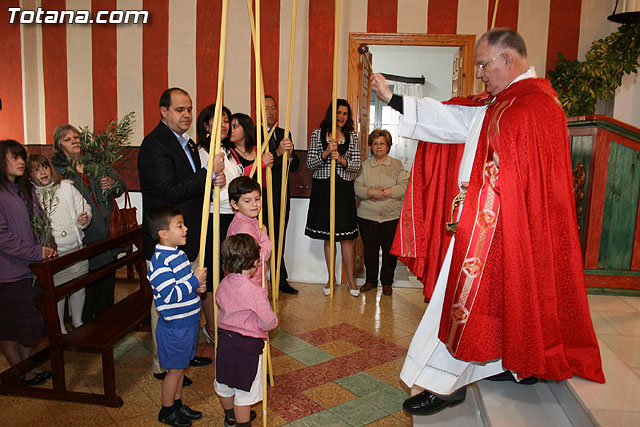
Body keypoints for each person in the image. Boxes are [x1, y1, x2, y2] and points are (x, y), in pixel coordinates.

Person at [370, 28, 604, 416]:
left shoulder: (535, 108)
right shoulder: (501, 104)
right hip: (485, 223)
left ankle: (445, 384)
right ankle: (507, 362)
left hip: (496, 228)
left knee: (464, 301)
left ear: (507, 60)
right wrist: (393, 98)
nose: (479, 73)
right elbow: (453, 121)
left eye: (483, 64)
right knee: (493, 302)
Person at [138, 87, 226, 384]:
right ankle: (163, 363)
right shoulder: (155, 144)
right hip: (165, 238)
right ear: (163, 111)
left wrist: (213, 179)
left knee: (189, 295)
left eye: (189, 109)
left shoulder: (185, 142)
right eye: (179, 109)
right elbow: (170, 191)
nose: (186, 114)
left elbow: (191, 187)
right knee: (164, 302)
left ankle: (183, 355)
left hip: (187, 233)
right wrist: (207, 175)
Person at [51, 124, 126, 323]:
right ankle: (87, 328)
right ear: (59, 146)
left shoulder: (94, 161)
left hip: (106, 231)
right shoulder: (56, 169)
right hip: (83, 236)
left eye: (77, 137)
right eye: (68, 139)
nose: (75, 141)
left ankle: (105, 324)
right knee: (84, 288)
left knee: (106, 285)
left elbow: (121, 184)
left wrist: (112, 183)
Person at [0, 140, 56, 386]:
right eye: (14, 157)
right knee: (10, 327)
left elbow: (41, 221)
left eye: (22, 156)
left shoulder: (24, 190)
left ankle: (28, 368)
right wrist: (35, 251)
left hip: (30, 267)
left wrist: (49, 244)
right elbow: (3, 237)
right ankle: (21, 372)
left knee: (28, 324)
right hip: (8, 272)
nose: (21, 161)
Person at [146, 205, 206, 427]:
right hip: (174, 327)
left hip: (188, 323)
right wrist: (194, 281)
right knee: (174, 371)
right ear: (163, 233)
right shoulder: (160, 263)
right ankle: (167, 409)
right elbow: (171, 295)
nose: (185, 229)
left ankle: (178, 404)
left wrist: (197, 287)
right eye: (179, 226)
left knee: (181, 367)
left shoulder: (179, 255)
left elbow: (185, 285)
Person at [215, 233, 278, 427]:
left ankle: (229, 417)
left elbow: (219, 301)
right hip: (248, 346)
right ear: (254, 264)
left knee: (224, 385)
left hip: (225, 341)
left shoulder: (223, 284)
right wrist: (266, 325)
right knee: (244, 393)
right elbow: (269, 321)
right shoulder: (254, 291)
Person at [28, 153, 91, 334]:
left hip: (74, 246)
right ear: (30, 175)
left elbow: (83, 205)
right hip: (56, 251)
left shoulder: (65, 187)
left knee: (78, 285)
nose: (42, 172)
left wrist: (83, 217)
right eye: (36, 170)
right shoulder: (32, 196)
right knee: (58, 291)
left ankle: (78, 321)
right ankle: (60, 327)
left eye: (45, 167)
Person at [305, 99, 361, 297]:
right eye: (339, 112)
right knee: (329, 236)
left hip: (344, 189)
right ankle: (331, 278)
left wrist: (342, 160)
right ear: (332, 113)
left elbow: (357, 166)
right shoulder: (317, 134)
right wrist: (327, 152)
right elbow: (310, 164)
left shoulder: (352, 137)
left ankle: (352, 281)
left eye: (345, 113)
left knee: (346, 238)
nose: (342, 117)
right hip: (323, 188)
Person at [195, 103, 240, 345]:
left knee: (226, 274)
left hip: (229, 217)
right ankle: (212, 328)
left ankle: (223, 323)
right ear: (206, 125)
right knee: (212, 277)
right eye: (218, 120)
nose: (224, 125)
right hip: (213, 218)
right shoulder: (202, 152)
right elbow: (203, 188)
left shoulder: (229, 151)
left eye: (226, 120)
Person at [354, 129, 408, 296]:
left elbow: (404, 187)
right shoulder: (364, 166)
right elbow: (357, 188)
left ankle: (387, 282)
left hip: (391, 216)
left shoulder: (397, 165)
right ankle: (371, 280)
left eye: (382, 143)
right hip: (367, 216)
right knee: (369, 249)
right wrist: (371, 193)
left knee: (389, 251)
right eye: (375, 144)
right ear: (371, 146)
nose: (378, 147)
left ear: (388, 146)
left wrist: (383, 191)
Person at [262, 95, 300, 295]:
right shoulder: (253, 134)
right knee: (263, 239)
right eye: (266, 108)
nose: (271, 112)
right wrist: (277, 152)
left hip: (282, 195)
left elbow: (293, 167)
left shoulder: (284, 133)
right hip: (262, 196)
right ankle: (262, 279)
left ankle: (279, 278)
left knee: (279, 238)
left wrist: (291, 154)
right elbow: (261, 164)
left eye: (273, 108)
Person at [226, 177, 272, 288]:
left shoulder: (248, 219)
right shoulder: (243, 228)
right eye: (247, 201)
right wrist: (264, 236)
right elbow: (258, 258)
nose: (254, 204)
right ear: (234, 204)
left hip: (250, 282)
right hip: (250, 285)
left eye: (257, 199)